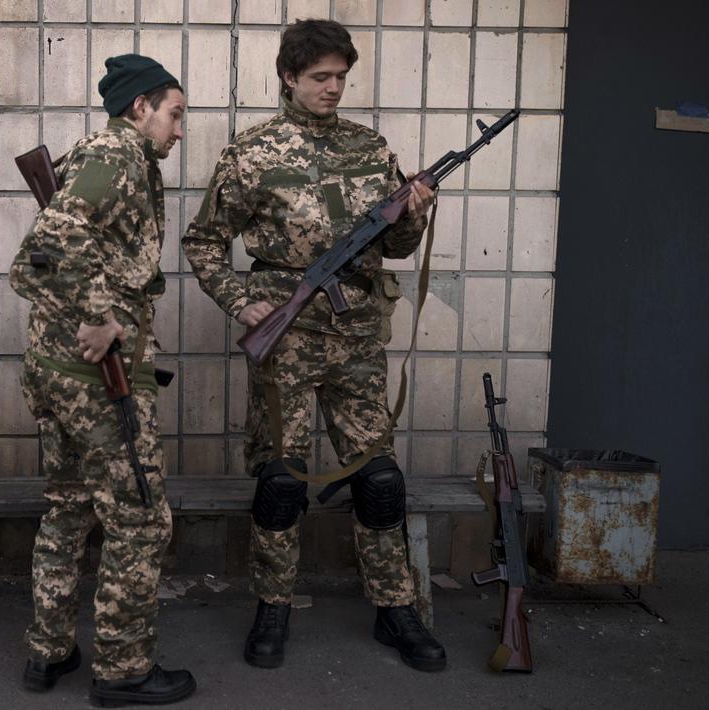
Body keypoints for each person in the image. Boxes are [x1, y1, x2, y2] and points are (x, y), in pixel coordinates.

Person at [181, 20, 446, 672]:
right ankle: (272, 606)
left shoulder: (367, 148)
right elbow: (203, 242)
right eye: (320, 77)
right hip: (287, 345)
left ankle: (394, 609)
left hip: (356, 339)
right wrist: (242, 302)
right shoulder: (251, 153)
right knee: (281, 482)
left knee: (379, 480)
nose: (333, 88)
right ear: (289, 79)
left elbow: (394, 247)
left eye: (340, 78)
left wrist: (412, 216)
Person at [9, 54, 197, 706]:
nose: (180, 131)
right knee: (140, 521)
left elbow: (58, 253)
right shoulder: (116, 159)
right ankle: (123, 670)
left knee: (68, 510)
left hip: (57, 375)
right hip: (94, 385)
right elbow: (39, 253)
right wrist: (101, 314)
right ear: (139, 107)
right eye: (174, 114)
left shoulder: (107, 160)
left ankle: (48, 652)